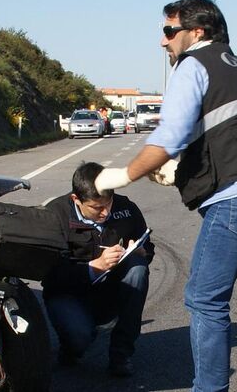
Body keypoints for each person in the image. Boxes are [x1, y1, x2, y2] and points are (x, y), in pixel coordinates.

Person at [94, 0, 237, 392]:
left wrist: (122, 175)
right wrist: (182, 172)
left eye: (169, 30)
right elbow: (234, 134)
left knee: (205, 300)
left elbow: (169, 136)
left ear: (197, 32)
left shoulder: (193, 65)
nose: (163, 40)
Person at [40, 161, 153, 378]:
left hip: (111, 291)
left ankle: (121, 354)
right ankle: (71, 348)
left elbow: (147, 245)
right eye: (96, 208)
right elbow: (48, 274)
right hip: (69, 295)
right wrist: (94, 267)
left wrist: (141, 252)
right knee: (80, 338)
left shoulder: (126, 208)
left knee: (138, 269)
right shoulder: (54, 215)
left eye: (108, 204)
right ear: (76, 199)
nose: (105, 213)